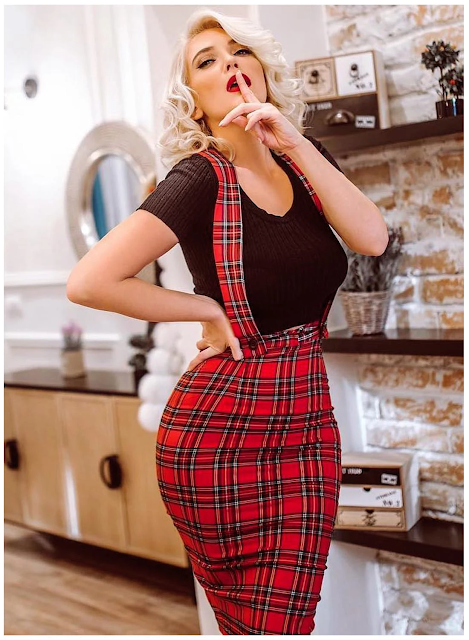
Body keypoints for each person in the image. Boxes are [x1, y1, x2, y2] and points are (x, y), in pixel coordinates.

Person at [67, 9, 388, 635]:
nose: (230, 64)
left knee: (291, 619)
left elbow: (372, 238)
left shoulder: (304, 161)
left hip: (307, 430)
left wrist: (292, 141)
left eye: (240, 51)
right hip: (219, 437)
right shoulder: (197, 178)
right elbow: (90, 280)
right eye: (207, 61)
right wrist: (206, 308)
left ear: (261, 70)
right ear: (193, 100)